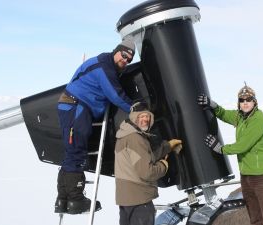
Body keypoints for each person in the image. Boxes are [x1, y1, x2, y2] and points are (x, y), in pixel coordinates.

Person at [54, 39, 136, 214]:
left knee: (71, 154)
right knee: (76, 153)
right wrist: (135, 109)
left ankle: (63, 200)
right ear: (117, 51)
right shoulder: (104, 67)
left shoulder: (106, 64)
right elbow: (116, 96)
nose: (125, 61)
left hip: (74, 107)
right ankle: (76, 199)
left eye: (129, 60)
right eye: (124, 56)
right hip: (77, 108)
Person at [197, 83, 263, 225]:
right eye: (242, 100)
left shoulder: (258, 120)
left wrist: (220, 149)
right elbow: (225, 114)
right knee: (255, 215)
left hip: (262, 176)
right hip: (246, 175)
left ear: (254, 101)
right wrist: (213, 105)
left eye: (248, 99)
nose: (245, 103)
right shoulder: (241, 117)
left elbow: (243, 145)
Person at [114, 102, 182, 225]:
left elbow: (143, 158)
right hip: (139, 199)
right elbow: (147, 172)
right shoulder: (135, 138)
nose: (145, 119)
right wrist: (163, 166)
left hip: (127, 198)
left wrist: (168, 146)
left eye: (148, 116)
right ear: (134, 118)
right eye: (141, 116)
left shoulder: (125, 135)